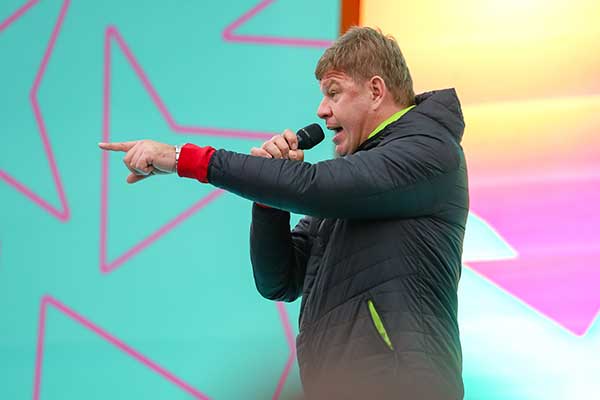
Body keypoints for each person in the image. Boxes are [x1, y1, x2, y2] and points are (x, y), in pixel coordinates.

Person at [99, 27, 468, 399]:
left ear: (375, 91)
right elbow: (279, 280)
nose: (321, 110)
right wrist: (269, 200)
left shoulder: (427, 150)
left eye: (334, 93)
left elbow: (312, 186)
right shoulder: (357, 183)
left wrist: (183, 159)